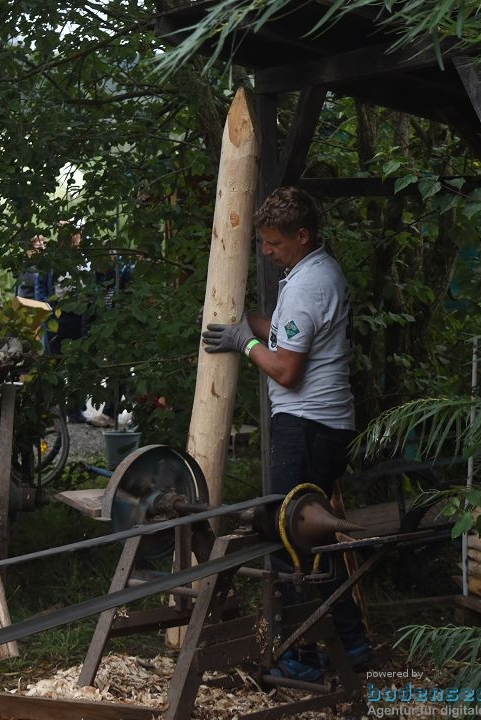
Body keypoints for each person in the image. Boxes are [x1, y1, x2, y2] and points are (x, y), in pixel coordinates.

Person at [201, 186, 368, 679]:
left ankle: (301, 656)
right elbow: (285, 330)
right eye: (264, 244)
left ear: (302, 235)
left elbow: (286, 369)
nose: (268, 253)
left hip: (308, 425)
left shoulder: (306, 285)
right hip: (323, 424)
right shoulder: (317, 272)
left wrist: (242, 340)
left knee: (289, 536)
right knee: (312, 538)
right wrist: (236, 321)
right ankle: (352, 644)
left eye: (274, 244)